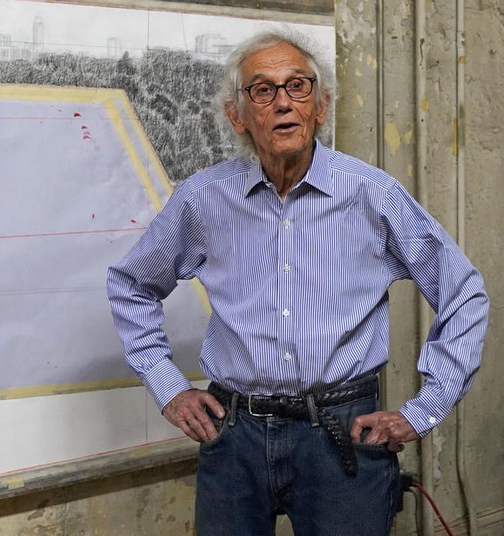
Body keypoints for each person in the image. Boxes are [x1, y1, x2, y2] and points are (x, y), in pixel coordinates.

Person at [106, 28, 488, 536]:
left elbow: (464, 292)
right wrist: (168, 387)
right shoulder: (203, 200)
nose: (283, 102)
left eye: (298, 86)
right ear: (237, 116)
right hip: (234, 433)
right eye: (263, 90)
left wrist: (423, 410)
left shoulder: (372, 195)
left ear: (321, 106)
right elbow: (131, 286)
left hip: (342, 435)